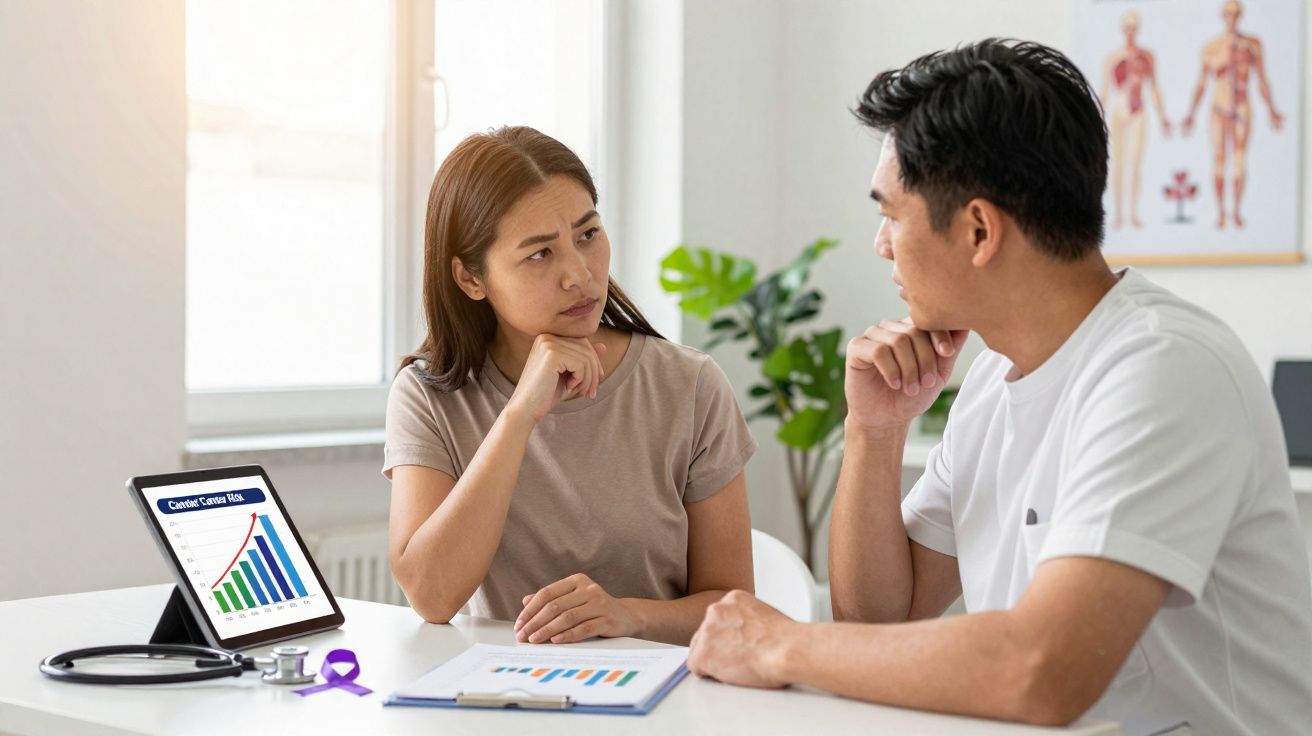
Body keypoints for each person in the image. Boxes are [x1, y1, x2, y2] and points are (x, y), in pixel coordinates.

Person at [687, 39, 1312, 734]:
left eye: (891, 215)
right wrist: (875, 430)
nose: (880, 244)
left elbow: (1044, 670)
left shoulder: (1164, 368)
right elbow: (880, 620)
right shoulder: (992, 378)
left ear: (979, 229)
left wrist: (779, 643)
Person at [385, 126, 756, 646]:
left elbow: (734, 606)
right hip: (500, 698)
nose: (579, 275)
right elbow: (432, 595)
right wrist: (518, 416)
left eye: (588, 235)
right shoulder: (428, 394)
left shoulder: (688, 385)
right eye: (540, 254)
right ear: (471, 279)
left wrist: (629, 616)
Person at [1181, 0, 1284, 229]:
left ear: (1240, 16)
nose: (1232, 18)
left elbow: (1262, 79)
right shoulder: (1212, 47)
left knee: (1238, 160)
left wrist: (1272, 110)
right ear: (1223, 16)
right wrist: (1191, 114)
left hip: (1241, 106)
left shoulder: (1252, 45)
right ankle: (1220, 212)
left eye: (1236, 14)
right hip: (1218, 108)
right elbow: (1201, 84)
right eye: (1228, 14)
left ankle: (1236, 210)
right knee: (1219, 160)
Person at [1099, 12, 1171, 229]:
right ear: (1123, 30)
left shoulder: (1146, 57)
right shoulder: (1113, 58)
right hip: (1119, 107)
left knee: (1135, 163)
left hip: (1138, 109)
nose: (1130, 32)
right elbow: (1105, 91)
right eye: (1127, 27)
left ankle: (1133, 213)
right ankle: (1119, 214)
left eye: (1134, 27)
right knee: (1118, 163)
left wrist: (1163, 117)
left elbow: (1155, 87)